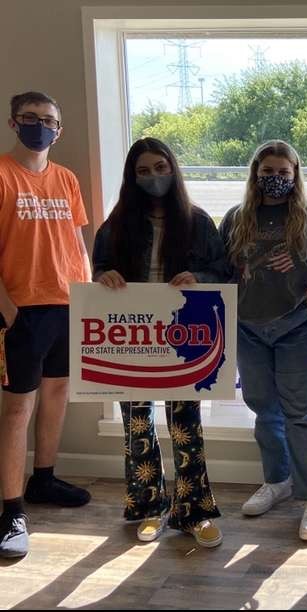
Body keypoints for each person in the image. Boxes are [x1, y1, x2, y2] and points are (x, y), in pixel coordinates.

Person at [92, 137, 226, 548]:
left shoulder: (198, 221)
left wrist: (199, 280)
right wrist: (104, 277)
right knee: (138, 426)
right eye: (144, 170)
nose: (154, 177)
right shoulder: (115, 224)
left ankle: (194, 512)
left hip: (182, 337)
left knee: (186, 425)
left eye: (160, 167)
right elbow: (98, 267)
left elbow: (222, 271)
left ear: (174, 169)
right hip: (131, 339)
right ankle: (149, 508)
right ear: (132, 177)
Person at [219, 140, 307, 541]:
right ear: (255, 173)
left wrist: (300, 267)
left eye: (284, 172)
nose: (276, 179)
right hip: (249, 329)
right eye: (268, 172)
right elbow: (221, 268)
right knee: (264, 409)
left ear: (296, 174)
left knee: (302, 414)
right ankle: (277, 479)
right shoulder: (236, 217)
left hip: (298, 327)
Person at [0, 92, 92, 559]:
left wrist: (88, 292)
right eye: (31, 119)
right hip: (22, 311)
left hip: (68, 304)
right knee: (18, 408)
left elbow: (76, 240)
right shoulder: (1, 174)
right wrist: (7, 308)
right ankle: (11, 509)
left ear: (60, 128)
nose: (41, 126)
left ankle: (44, 479)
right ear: (15, 123)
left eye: (49, 120)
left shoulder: (66, 179)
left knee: (57, 394)